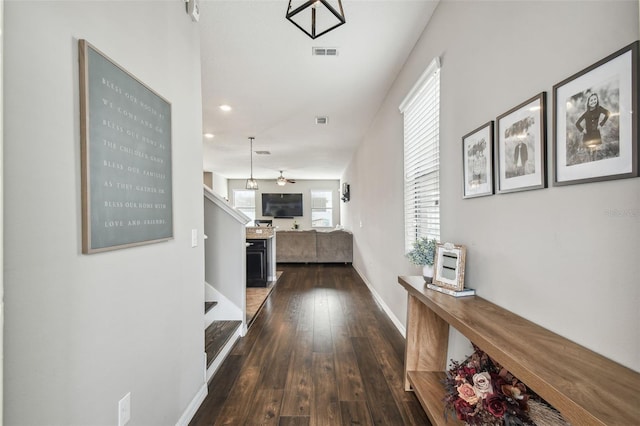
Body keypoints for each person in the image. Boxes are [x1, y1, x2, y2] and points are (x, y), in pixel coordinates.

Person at [575, 93, 610, 160]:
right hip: (587, 135)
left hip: (595, 134)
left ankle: (594, 162)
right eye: (591, 100)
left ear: (597, 100)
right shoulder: (586, 113)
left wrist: (601, 124)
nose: (593, 101)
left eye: (595, 99)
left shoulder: (599, 109)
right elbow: (577, 123)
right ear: (588, 102)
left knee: (594, 151)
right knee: (588, 152)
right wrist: (582, 130)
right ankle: (589, 162)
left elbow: (608, 113)